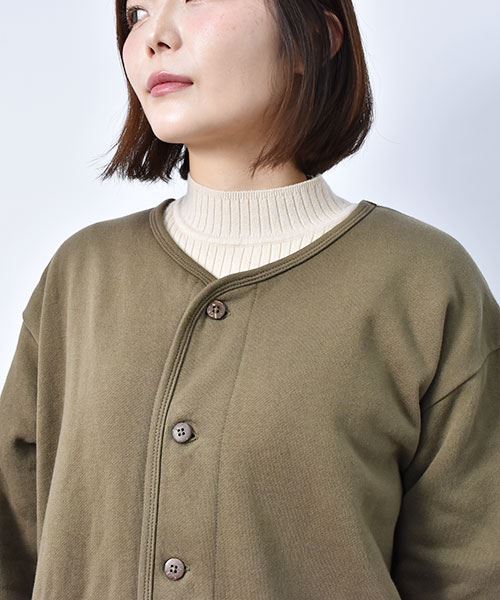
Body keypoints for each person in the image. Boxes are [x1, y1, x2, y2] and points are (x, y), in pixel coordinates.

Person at [1, 1, 499, 599]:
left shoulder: (423, 282)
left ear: (312, 36)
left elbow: (473, 571)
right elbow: (13, 542)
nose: (154, 36)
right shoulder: (81, 275)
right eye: (136, 13)